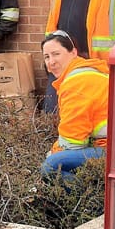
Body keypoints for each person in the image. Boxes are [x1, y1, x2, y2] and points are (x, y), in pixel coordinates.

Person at [40, 30, 109, 180]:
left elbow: (73, 142)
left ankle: (91, 200)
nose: (51, 62)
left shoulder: (76, 84)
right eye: (47, 57)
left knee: (50, 166)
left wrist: (52, 153)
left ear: (73, 52)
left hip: (110, 151)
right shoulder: (89, 71)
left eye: (56, 54)